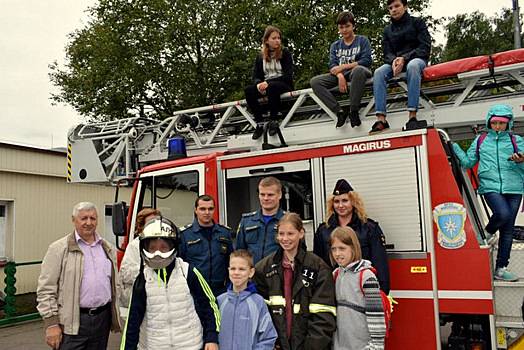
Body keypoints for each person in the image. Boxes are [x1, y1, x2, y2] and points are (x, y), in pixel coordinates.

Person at [121, 217, 220, 350]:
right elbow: (132, 321)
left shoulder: (187, 271)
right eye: (152, 248)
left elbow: (209, 305)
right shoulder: (143, 278)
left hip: (189, 344)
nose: (158, 253)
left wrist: (212, 337)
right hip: (154, 345)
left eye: (163, 247)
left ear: (174, 246)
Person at [452, 104, 524, 282]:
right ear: (489, 122)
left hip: (514, 187)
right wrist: (453, 146)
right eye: (494, 123)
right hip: (490, 187)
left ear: (509, 123)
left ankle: (501, 269)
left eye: (502, 123)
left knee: (507, 230)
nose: (498, 126)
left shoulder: (517, 140)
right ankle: (487, 232)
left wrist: (520, 160)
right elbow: (468, 163)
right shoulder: (481, 140)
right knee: (503, 214)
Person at [36, 202, 121, 350]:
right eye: (84, 218)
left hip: (102, 320)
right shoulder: (59, 249)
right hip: (72, 323)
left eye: (93, 218)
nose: (89, 223)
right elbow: (46, 289)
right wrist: (51, 324)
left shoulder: (107, 248)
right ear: (74, 220)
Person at [254, 213, 336, 350]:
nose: (285, 239)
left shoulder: (318, 268)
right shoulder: (264, 268)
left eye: (290, 234)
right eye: (281, 234)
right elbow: (260, 313)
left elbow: (324, 318)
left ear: (301, 233)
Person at [313, 179, 390, 293]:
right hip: (332, 288)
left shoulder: (369, 229)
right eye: (336, 201)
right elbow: (317, 264)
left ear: (353, 202)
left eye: (345, 201)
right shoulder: (323, 231)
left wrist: (382, 294)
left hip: (360, 289)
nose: (340, 205)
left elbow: (380, 264)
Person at [369, 0, 431, 134]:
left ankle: (412, 116)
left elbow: (425, 47)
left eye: (397, 6)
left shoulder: (418, 23)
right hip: (395, 63)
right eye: (390, 8)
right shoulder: (387, 30)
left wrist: (405, 58)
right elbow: (386, 53)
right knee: (379, 72)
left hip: (416, 59)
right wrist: (394, 61)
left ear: (405, 7)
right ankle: (381, 119)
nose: (394, 10)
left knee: (413, 67)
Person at [310, 11, 372, 128]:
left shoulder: (362, 40)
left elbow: (366, 60)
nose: (344, 30)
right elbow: (332, 65)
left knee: (358, 70)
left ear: (353, 26)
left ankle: (353, 110)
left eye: (347, 26)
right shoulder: (335, 45)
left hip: (360, 72)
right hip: (340, 75)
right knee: (315, 81)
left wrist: (343, 67)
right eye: (341, 27)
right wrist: (340, 75)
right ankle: (339, 112)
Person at [331, 226, 386, 350]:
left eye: (342, 248)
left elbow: (376, 316)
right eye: (334, 249)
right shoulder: (335, 275)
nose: (337, 254)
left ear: (353, 248)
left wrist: (376, 346)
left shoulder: (366, 276)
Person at [217, 250, 277, 350]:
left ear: (251, 272)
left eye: (241, 269)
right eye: (233, 268)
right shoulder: (220, 301)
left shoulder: (258, 302)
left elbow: (268, 337)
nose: (236, 273)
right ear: (228, 270)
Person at [244, 25, 294, 140]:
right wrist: (258, 84)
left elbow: (288, 76)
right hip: (266, 84)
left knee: (272, 87)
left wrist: (268, 83)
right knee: (248, 91)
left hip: (282, 83)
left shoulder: (285, 53)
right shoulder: (260, 56)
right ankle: (259, 122)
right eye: (274, 38)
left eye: (279, 38)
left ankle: (273, 120)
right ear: (266, 40)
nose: (277, 41)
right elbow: (256, 76)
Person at [179, 194, 234, 296]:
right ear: (196, 210)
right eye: (202, 209)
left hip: (220, 291)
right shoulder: (185, 235)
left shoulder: (224, 233)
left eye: (210, 209)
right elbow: (179, 265)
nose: (207, 213)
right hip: (195, 292)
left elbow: (231, 262)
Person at [119, 208, 160, 312]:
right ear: (142, 227)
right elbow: (126, 275)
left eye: (157, 222)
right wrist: (150, 269)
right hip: (141, 301)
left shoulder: (167, 244)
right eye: (151, 223)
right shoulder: (134, 246)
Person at [236, 176, 285, 264]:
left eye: (270, 195)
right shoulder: (247, 221)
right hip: (253, 275)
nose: (265, 198)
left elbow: (299, 253)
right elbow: (239, 253)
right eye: (262, 194)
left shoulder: (288, 221)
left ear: (280, 195)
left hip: (279, 275)